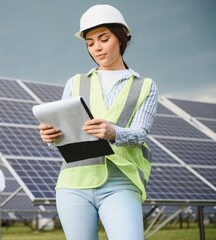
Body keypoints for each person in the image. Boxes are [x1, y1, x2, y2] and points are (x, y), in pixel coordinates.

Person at [38, 4, 158, 240]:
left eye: (104, 39)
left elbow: (141, 132)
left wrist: (114, 132)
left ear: (121, 38)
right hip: (73, 183)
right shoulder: (75, 82)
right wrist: (52, 137)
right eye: (90, 43)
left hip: (120, 182)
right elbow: (67, 135)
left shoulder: (145, 86)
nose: (97, 48)